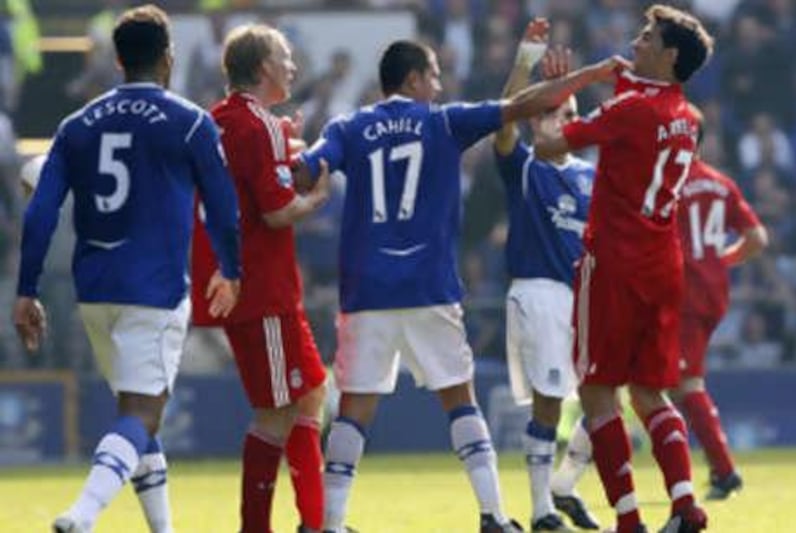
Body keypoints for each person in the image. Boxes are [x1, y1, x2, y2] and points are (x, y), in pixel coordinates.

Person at [295, 24, 627, 532]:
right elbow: (518, 108)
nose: (440, 84)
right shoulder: (444, 122)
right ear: (412, 79)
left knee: (355, 410)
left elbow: (304, 170)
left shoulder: (347, 127)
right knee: (459, 401)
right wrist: (588, 75)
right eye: (434, 75)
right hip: (428, 287)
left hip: (365, 291)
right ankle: (493, 515)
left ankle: (330, 523)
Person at [12, 5, 241, 533]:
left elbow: (41, 210)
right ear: (168, 58)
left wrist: (27, 288)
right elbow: (224, 208)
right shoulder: (189, 123)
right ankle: (83, 515)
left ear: (117, 60)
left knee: (138, 413)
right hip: (154, 290)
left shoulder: (75, 126)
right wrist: (231, 267)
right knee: (143, 414)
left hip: (94, 291)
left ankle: (163, 529)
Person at [534, 5, 715, 532]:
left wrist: (553, 101)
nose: (636, 42)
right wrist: (609, 78)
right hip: (663, 264)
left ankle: (628, 520)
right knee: (649, 393)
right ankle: (686, 506)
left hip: (614, 262)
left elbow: (548, 148)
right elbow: (633, 101)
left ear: (670, 54)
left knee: (596, 390)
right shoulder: (684, 115)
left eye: (646, 36)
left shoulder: (634, 109)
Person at [190, 24, 331, 533]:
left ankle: (317, 521)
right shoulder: (259, 126)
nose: (292, 65)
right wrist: (314, 199)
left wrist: (285, 151)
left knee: (312, 391)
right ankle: (264, 527)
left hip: (245, 284)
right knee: (276, 412)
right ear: (264, 67)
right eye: (285, 56)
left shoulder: (216, 121)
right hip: (262, 290)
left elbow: (247, 183)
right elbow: (275, 212)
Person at [493, 20, 598, 533]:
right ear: (537, 121)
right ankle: (541, 510)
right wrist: (525, 64)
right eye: (554, 113)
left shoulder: (591, 175)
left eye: (571, 114)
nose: (564, 121)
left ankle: (565, 483)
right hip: (541, 294)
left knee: (608, 396)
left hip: (588, 298)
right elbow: (504, 120)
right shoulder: (526, 166)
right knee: (551, 402)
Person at [673, 107, 767, 500]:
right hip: (714, 291)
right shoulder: (721, 183)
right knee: (670, 382)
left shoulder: (668, 187)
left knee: (684, 383)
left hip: (686, 294)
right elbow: (758, 238)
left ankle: (725, 472)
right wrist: (721, 259)